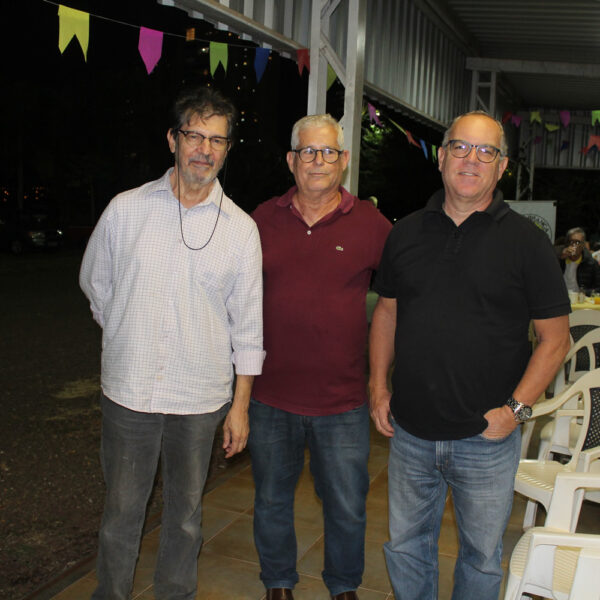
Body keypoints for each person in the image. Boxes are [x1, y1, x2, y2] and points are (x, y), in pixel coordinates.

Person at [368, 110, 571, 600]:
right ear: (441, 157)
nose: (471, 159)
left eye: (486, 151)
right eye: (460, 147)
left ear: (502, 167)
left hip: (486, 438)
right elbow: (387, 314)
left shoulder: (528, 243)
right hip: (411, 432)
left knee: (481, 559)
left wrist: (515, 411)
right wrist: (377, 388)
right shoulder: (405, 233)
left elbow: (556, 340)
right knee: (406, 546)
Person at [79, 86, 264, 600]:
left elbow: (248, 327)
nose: (204, 150)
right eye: (194, 136)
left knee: (185, 516)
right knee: (121, 513)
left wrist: (240, 407)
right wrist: (128, 330)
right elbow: (96, 284)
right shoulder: (125, 210)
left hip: (199, 401)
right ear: (172, 140)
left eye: (217, 140)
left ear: (227, 150)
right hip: (129, 394)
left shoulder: (241, 231)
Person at [249, 114, 392, 600]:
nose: (318, 161)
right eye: (308, 151)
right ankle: (278, 583)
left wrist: (381, 381)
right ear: (291, 160)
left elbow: (397, 299)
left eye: (328, 151)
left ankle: (344, 586)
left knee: (347, 505)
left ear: (344, 160)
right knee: (271, 499)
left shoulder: (371, 224)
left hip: (343, 401)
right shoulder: (260, 220)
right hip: (270, 396)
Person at [559, 226, 600, 294]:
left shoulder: (591, 264)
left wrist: (584, 292)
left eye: (577, 242)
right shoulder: (560, 260)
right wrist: (559, 259)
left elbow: (598, 288)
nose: (573, 245)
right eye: (571, 241)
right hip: (561, 297)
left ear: (583, 245)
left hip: (581, 298)